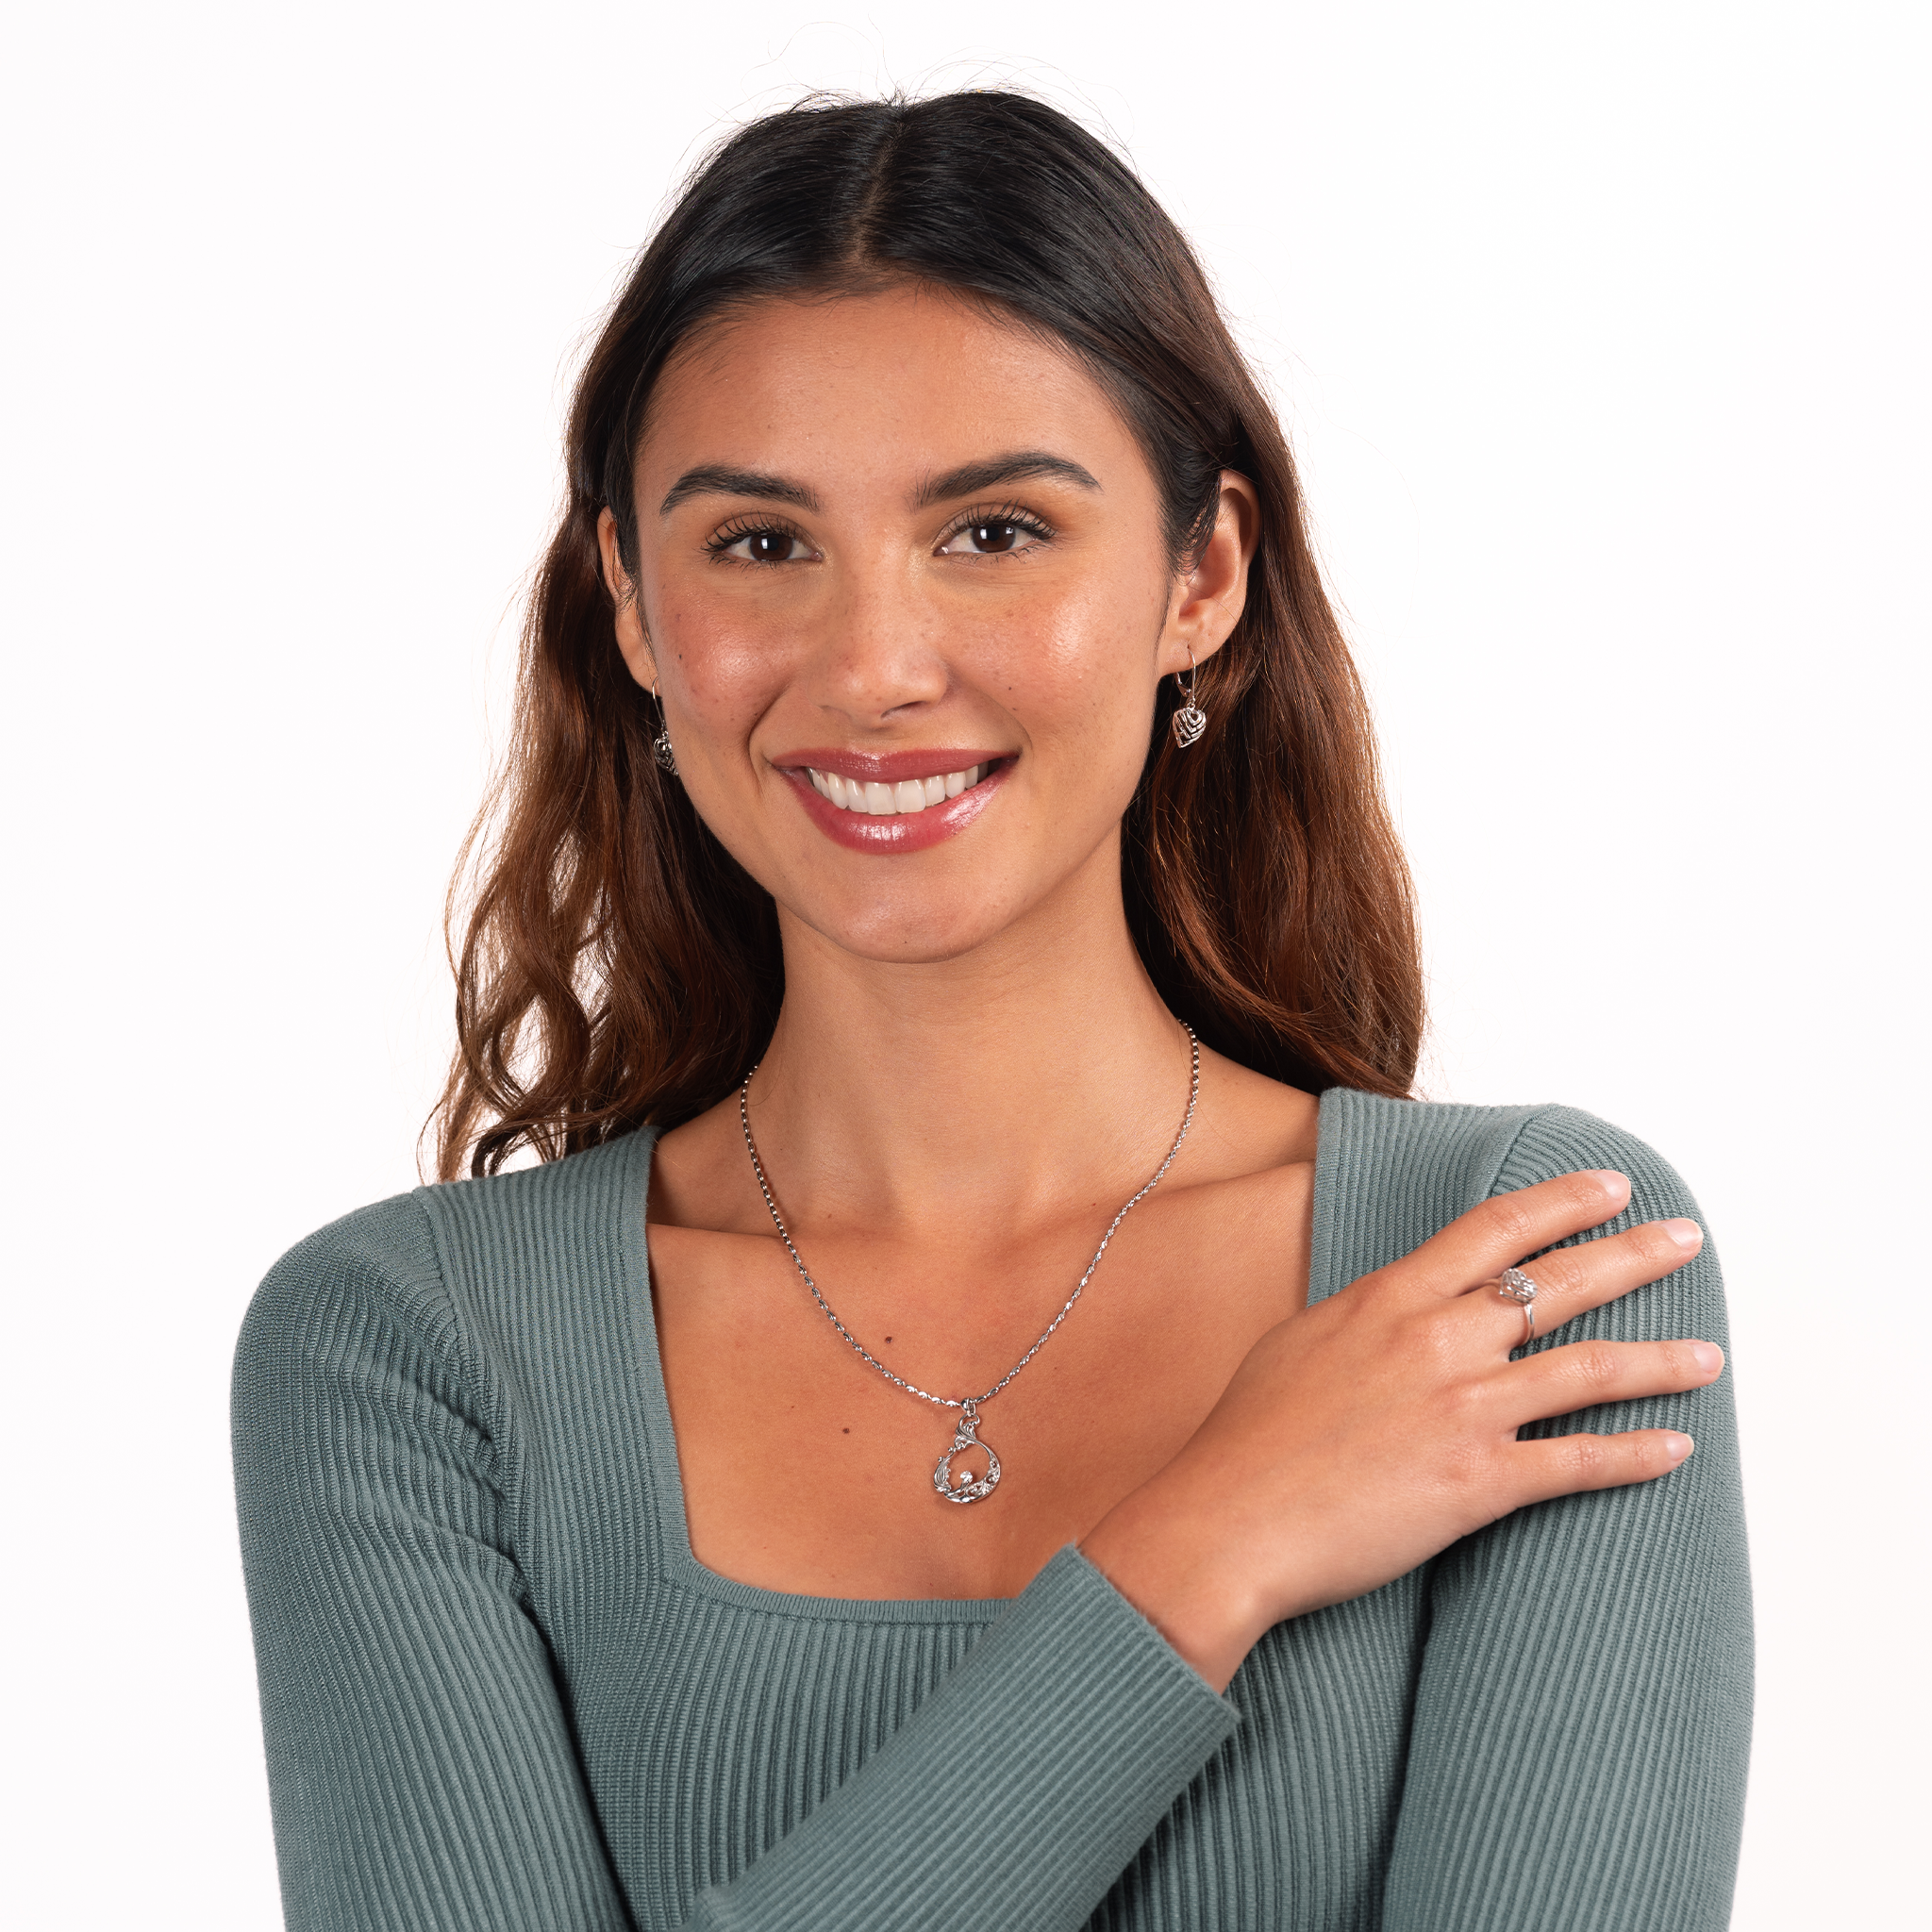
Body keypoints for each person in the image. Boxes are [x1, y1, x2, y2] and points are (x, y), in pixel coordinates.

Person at [230, 90, 1751, 1932]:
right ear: (631, 602)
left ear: (1200, 576)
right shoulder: (411, 1355)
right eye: (760, 546)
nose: (874, 667)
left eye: (995, 532)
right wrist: (1203, 1549)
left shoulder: (1514, 1271)